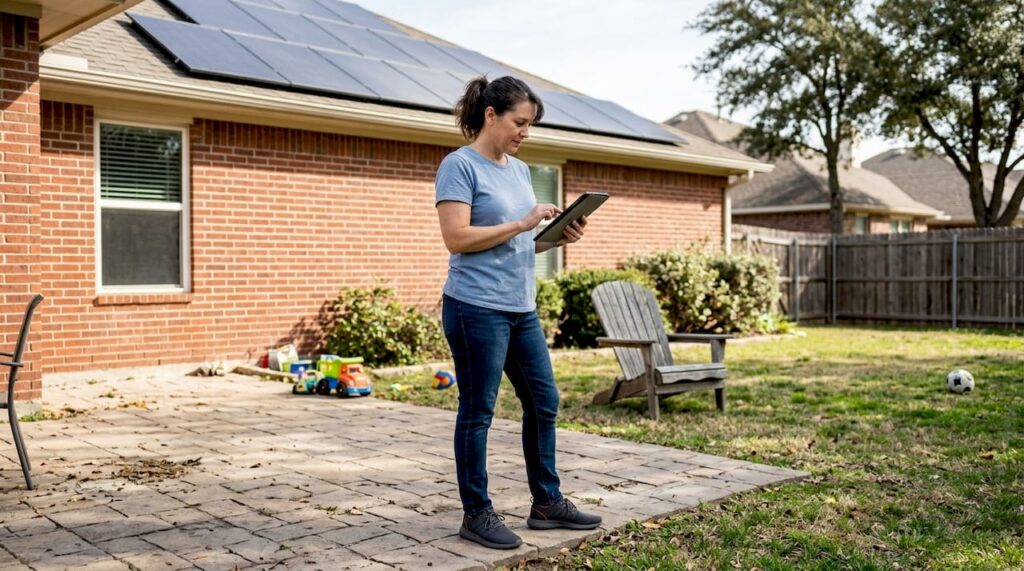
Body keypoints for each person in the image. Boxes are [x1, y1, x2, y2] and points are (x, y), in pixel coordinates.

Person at [434, 75, 602, 550]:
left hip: (520, 305)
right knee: (478, 410)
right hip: (475, 307)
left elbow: (519, 238)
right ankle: (477, 513)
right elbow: (458, 238)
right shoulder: (458, 166)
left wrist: (554, 235)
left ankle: (547, 503)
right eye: (519, 122)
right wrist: (524, 222)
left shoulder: (521, 170)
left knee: (544, 401)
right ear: (491, 115)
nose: (525, 132)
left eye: (530, 125)